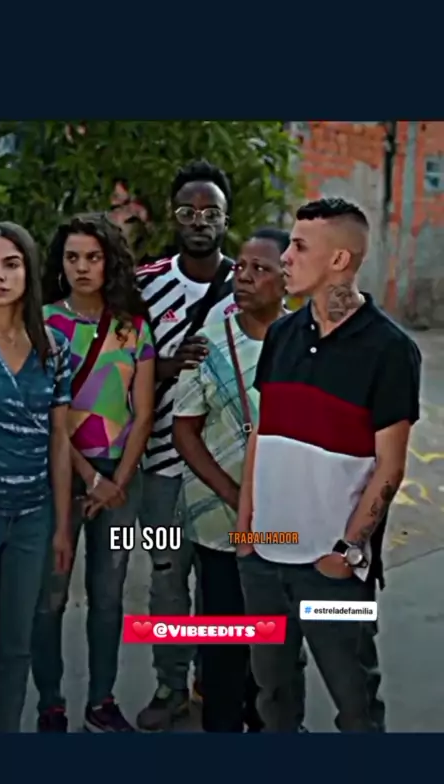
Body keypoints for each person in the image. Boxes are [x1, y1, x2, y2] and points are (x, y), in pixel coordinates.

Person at [236, 197, 421, 732]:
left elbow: (390, 467)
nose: (285, 257)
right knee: (273, 694)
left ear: (340, 259)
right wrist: (245, 532)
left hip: (334, 570)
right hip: (264, 560)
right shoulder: (281, 335)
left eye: (299, 246)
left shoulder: (390, 349)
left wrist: (347, 551)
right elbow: (262, 435)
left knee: (355, 700)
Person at [172, 228, 309, 732]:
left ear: (286, 279)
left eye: (260, 269)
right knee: (224, 640)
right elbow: (184, 430)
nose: (244, 277)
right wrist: (235, 498)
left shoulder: (309, 343)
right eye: (241, 267)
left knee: (277, 641)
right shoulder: (208, 342)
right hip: (221, 521)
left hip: (287, 523)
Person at [32, 212, 155, 733]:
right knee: (51, 595)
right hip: (58, 474)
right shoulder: (41, 324)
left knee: (108, 596)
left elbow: (143, 412)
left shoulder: (133, 327)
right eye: (72, 257)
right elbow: (45, 415)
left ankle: (101, 701)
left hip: (121, 479)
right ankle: (51, 703)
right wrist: (91, 478)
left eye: (93, 257)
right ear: (60, 264)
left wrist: (118, 481)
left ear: (110, 263)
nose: (82, 267)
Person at [135, 160, 238, 731]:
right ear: (173, 218)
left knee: (223, 585)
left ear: (226, 219)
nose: (199, 221)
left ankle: (212, 680)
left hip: (225, 468)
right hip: (159, 466)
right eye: (187, 211)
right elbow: (120, 367)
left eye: (210, 212)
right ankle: (169, 684)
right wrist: (168, 366)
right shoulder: (146, 282)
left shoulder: (248, 283)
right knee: (167, 577)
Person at [0, 222, 72, 733]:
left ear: (28, 271)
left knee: (16, 649)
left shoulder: (53, 347)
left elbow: (59, 439)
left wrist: (62, 526)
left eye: (10, 265)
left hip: (32, 519)